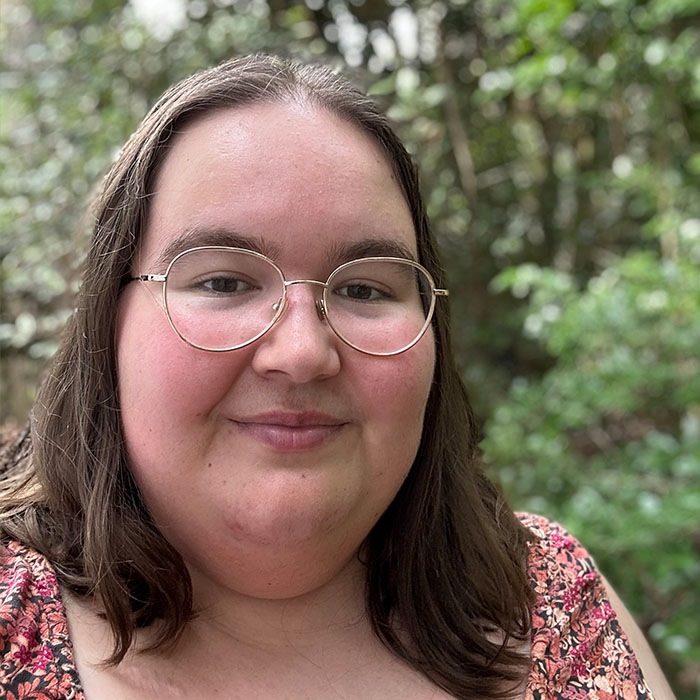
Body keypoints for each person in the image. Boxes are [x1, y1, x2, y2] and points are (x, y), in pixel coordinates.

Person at [0, 54, 673, 700]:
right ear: (107, 324)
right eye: (224, 281)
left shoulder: (554, 598)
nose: (300, 352)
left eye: (367, 290)